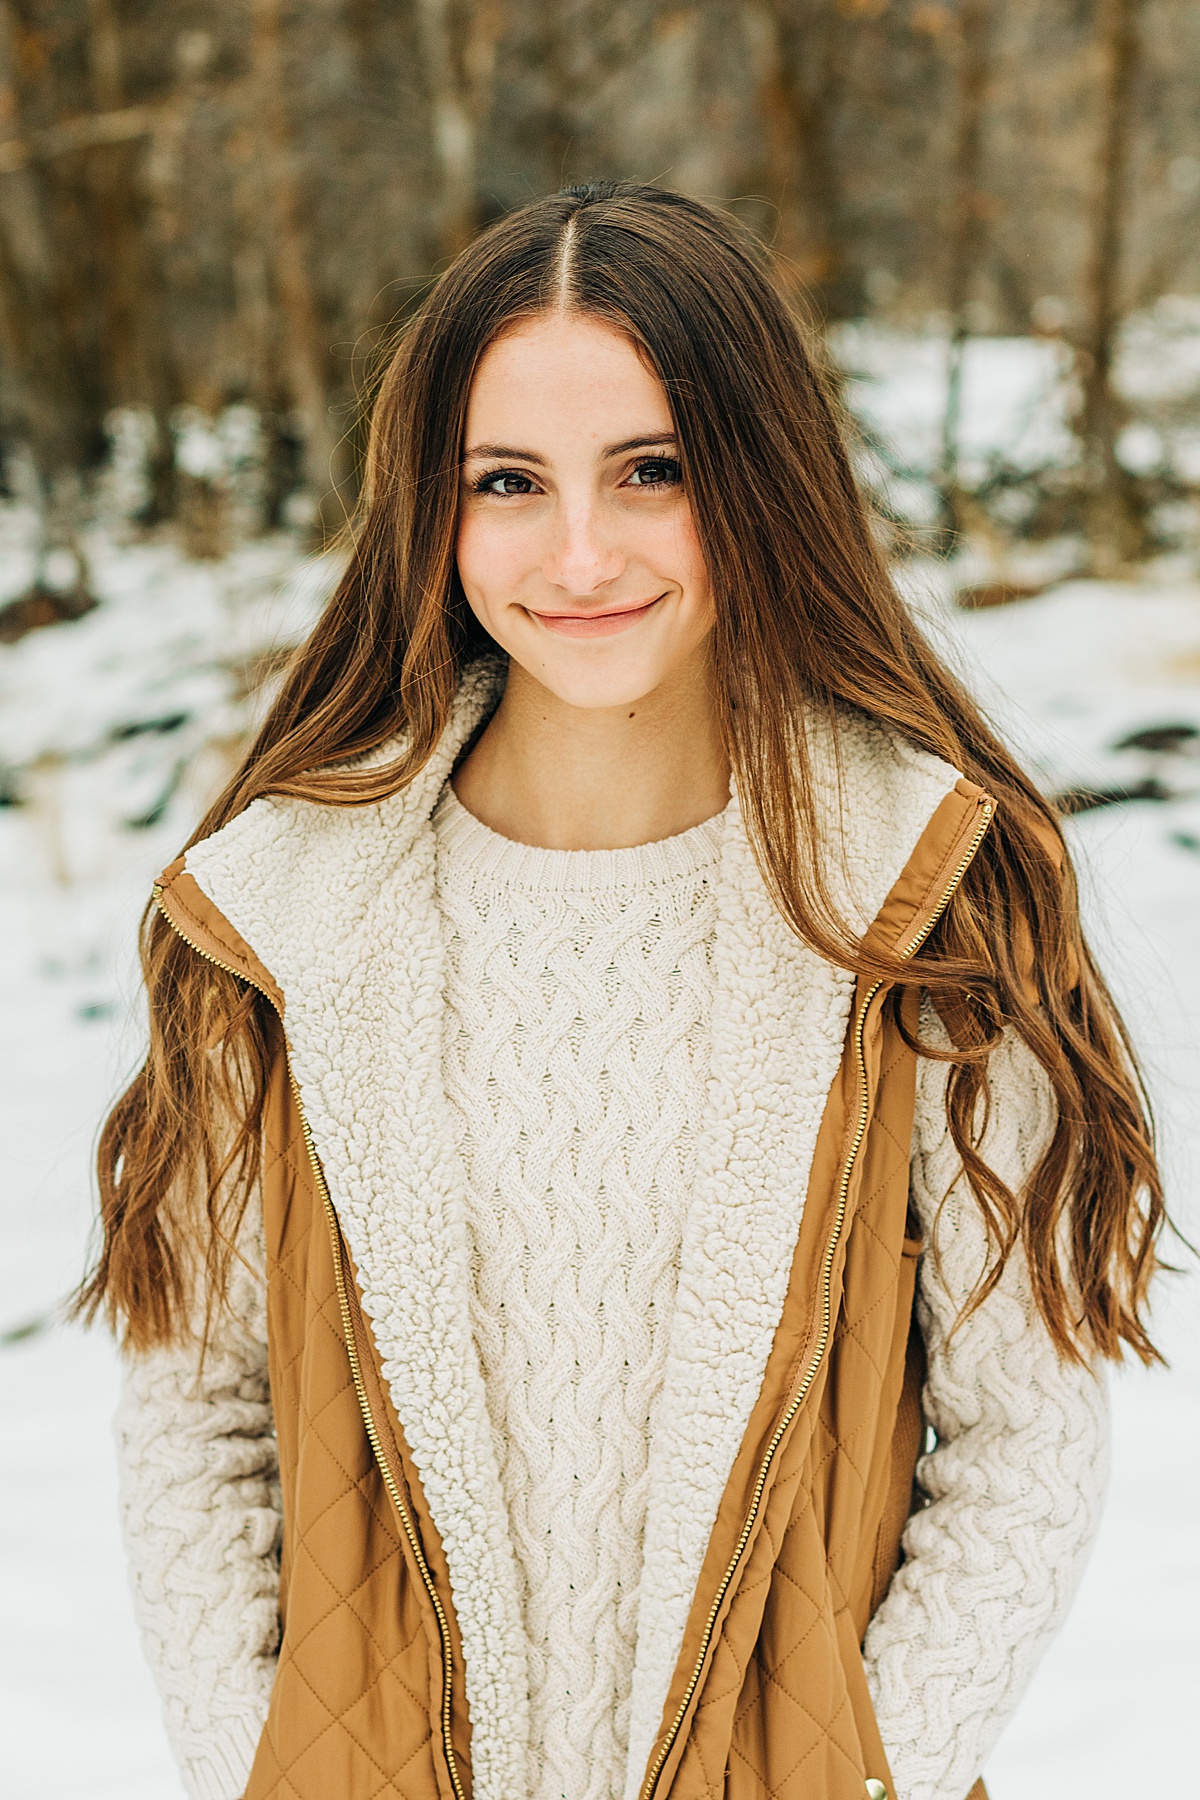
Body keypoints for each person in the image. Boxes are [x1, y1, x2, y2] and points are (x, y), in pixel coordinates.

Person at [81, 182, 1164, 1800]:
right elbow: (199, 1421)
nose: (578, 551)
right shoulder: (284, 922)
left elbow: (1026, 1442)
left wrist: (862, 1777)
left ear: (760, 479)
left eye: (651, 471)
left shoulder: (920, 896)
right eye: (507, 482)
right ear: (430, 514)